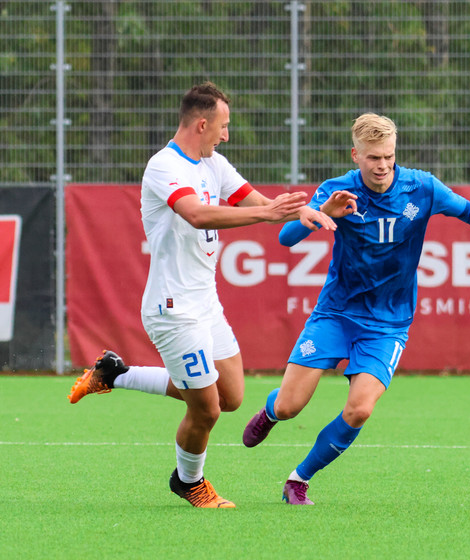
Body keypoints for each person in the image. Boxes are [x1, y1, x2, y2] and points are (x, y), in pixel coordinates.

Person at [67, 82, 345, 509]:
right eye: (223, 126)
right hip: (173, 310)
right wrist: (267, 213)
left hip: (206, 304)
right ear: (202, 124)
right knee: (207, 410)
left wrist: (308, 210)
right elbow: (196, 214)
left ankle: (115, 374)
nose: (226, 135)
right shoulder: (164, 166)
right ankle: (189, 482)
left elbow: (254, 199)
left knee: (230, 397)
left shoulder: (213, 162)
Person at [242, 112, 470, 505]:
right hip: (336, 314)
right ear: (356, 155)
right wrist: (324, 213)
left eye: (389, 157)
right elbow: (286, 238)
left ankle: (299, 479)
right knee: (291, 405)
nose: (383, 166)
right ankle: (272, 412)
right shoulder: (337, 191)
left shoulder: (421, 187)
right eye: (374, 158)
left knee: (360, 410)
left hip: (388, 323)